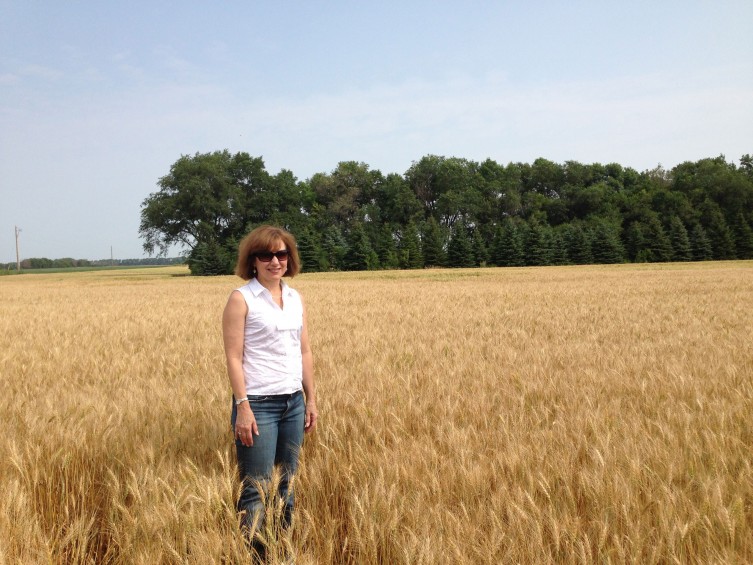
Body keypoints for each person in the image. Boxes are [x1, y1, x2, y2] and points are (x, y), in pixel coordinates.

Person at [222, 225, 318, 558]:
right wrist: (243, 407)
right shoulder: (242, 298)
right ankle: (257, 556)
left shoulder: (294, 298)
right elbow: (233, 358)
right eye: (266, 255)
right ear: (253, 261)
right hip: (259, 405)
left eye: (281, 254)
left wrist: (312, 400)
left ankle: (283, 551)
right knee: (256, 489)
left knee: (286, 486)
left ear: (289, 259)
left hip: (293, 403)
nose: (275, 261)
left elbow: (303, 351)